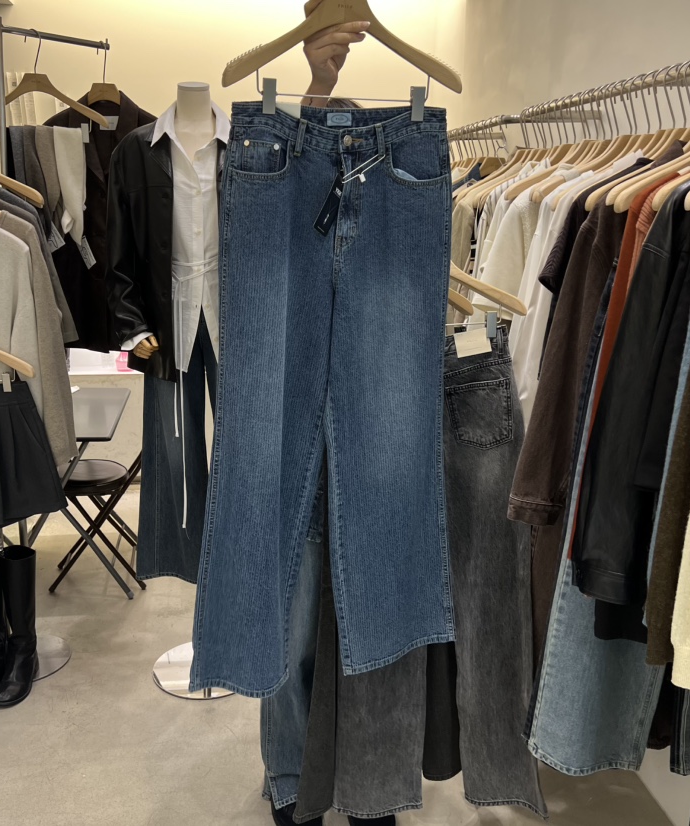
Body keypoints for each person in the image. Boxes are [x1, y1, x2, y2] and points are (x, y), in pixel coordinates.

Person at [264, 9, 400, 826]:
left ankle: (365, 772)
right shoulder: (271, 176)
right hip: (289, 407)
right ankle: (291, 773)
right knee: (289, 608)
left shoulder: (401, 185)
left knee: (369, 605)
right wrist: (314, 89)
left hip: (371, 410)